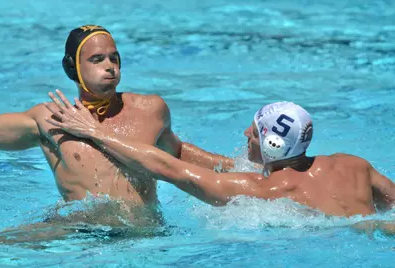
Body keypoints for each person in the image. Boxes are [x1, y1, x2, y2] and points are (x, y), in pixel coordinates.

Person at [0, 24, 232, 226]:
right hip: (79, 235)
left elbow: (177, 154)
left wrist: (246, 170)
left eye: (114, 58)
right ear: (73, 67)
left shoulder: (150, 109)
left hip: (146, 237)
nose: (110, 65)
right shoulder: (51, 118)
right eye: (96, 59)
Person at [45, 91, 395, 217]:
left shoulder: (265, 191)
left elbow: (166, 169)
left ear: (274, 145)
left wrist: (92, 131)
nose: (246, 134)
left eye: (255, 132)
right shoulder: (355, 166)